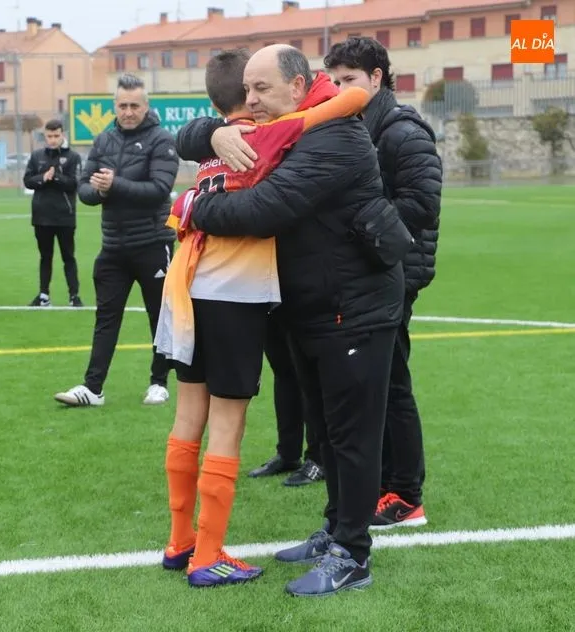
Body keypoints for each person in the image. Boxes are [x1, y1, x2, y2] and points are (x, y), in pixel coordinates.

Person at [177, 44, 405, 596]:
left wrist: (189, 207)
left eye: (261, 90)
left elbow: (264, 210)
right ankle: (334, 529)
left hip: (353, 307)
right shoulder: (289, 126)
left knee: (352, 435)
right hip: (312, 306)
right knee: (325, 430)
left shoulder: (335, 136)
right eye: (246, 90)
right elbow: (184, 138)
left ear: (300, 87)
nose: (249, 102)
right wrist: (212, 133)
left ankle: (353, 554)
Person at [325, 36, 442, 529]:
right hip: (372, 271)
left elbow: (422, 203)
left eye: (348, 80)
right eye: (332, 81)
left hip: (396, 273)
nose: (338, 89)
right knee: (375, 382)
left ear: (377, 78)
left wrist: (358, 226)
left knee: (392, 382)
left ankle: (406, 494)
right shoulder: (355, 123)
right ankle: (382, 482)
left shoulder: (401, 130)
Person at [53, 73, 179, 408]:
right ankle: (93, 388)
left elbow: (159, 190)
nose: (128, 111)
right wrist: (98, 190)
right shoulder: (103, 140)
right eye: (122, 105)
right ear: (115, 106)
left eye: (134, 105)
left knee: (159, 316)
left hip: (153, 243)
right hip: (113, 247)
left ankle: (159, 382)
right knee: (106, 317)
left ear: (146, 106)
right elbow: (84, 189)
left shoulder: (162, 140)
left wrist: (115, 185)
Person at [247, 308, 325, 487]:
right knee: (283, 371)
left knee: (308, 373)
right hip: (270, 293)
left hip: (302, 294)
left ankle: (318, 458)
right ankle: (288, 453)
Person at [23, 119, 83, 307]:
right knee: (45, 257)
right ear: (45, 136)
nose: (53, 140)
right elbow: (28, 181)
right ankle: (43, 295)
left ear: (62, 135)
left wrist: (55, 177)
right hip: (41, 216)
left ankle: (74, 296)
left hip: (65, 216)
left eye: (56, 136)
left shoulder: (73, 157)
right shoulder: (36, 156)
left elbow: (74, 183)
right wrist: (43, 177)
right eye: (49, 136)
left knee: (68, 257)